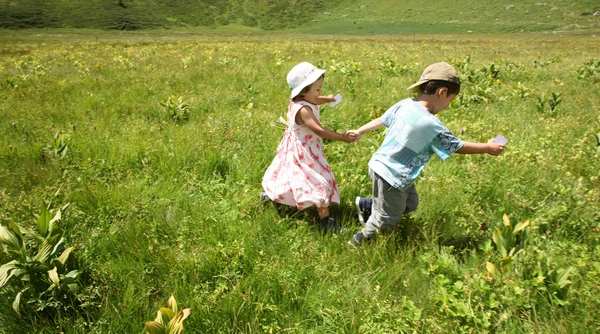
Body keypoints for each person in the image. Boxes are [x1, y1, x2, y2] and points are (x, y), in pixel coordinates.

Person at [346, 62, 505, 245]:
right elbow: (457, 146)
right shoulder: (430, 124)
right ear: (442, 92)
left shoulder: (405, 104)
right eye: (450, 100)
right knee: (386, 221)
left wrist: (360, 131)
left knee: (410, 203)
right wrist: (487, 147)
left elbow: (382, 119)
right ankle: (358, 243)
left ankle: (367, 206)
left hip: (385, 167)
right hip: (392, 175)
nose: (447, 106)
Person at [262, 62, 356, 233]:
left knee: (291, 176)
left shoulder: (300, 99)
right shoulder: (303, 110)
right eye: (318, 89)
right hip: (304, 152)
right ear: (304, 90)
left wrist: (327, 99)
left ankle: (273, 196)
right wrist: (342, 137)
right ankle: (326, 222)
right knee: (319, 181)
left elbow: (314, 100)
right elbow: (319, 130)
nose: (320, 92)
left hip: (298, 146)